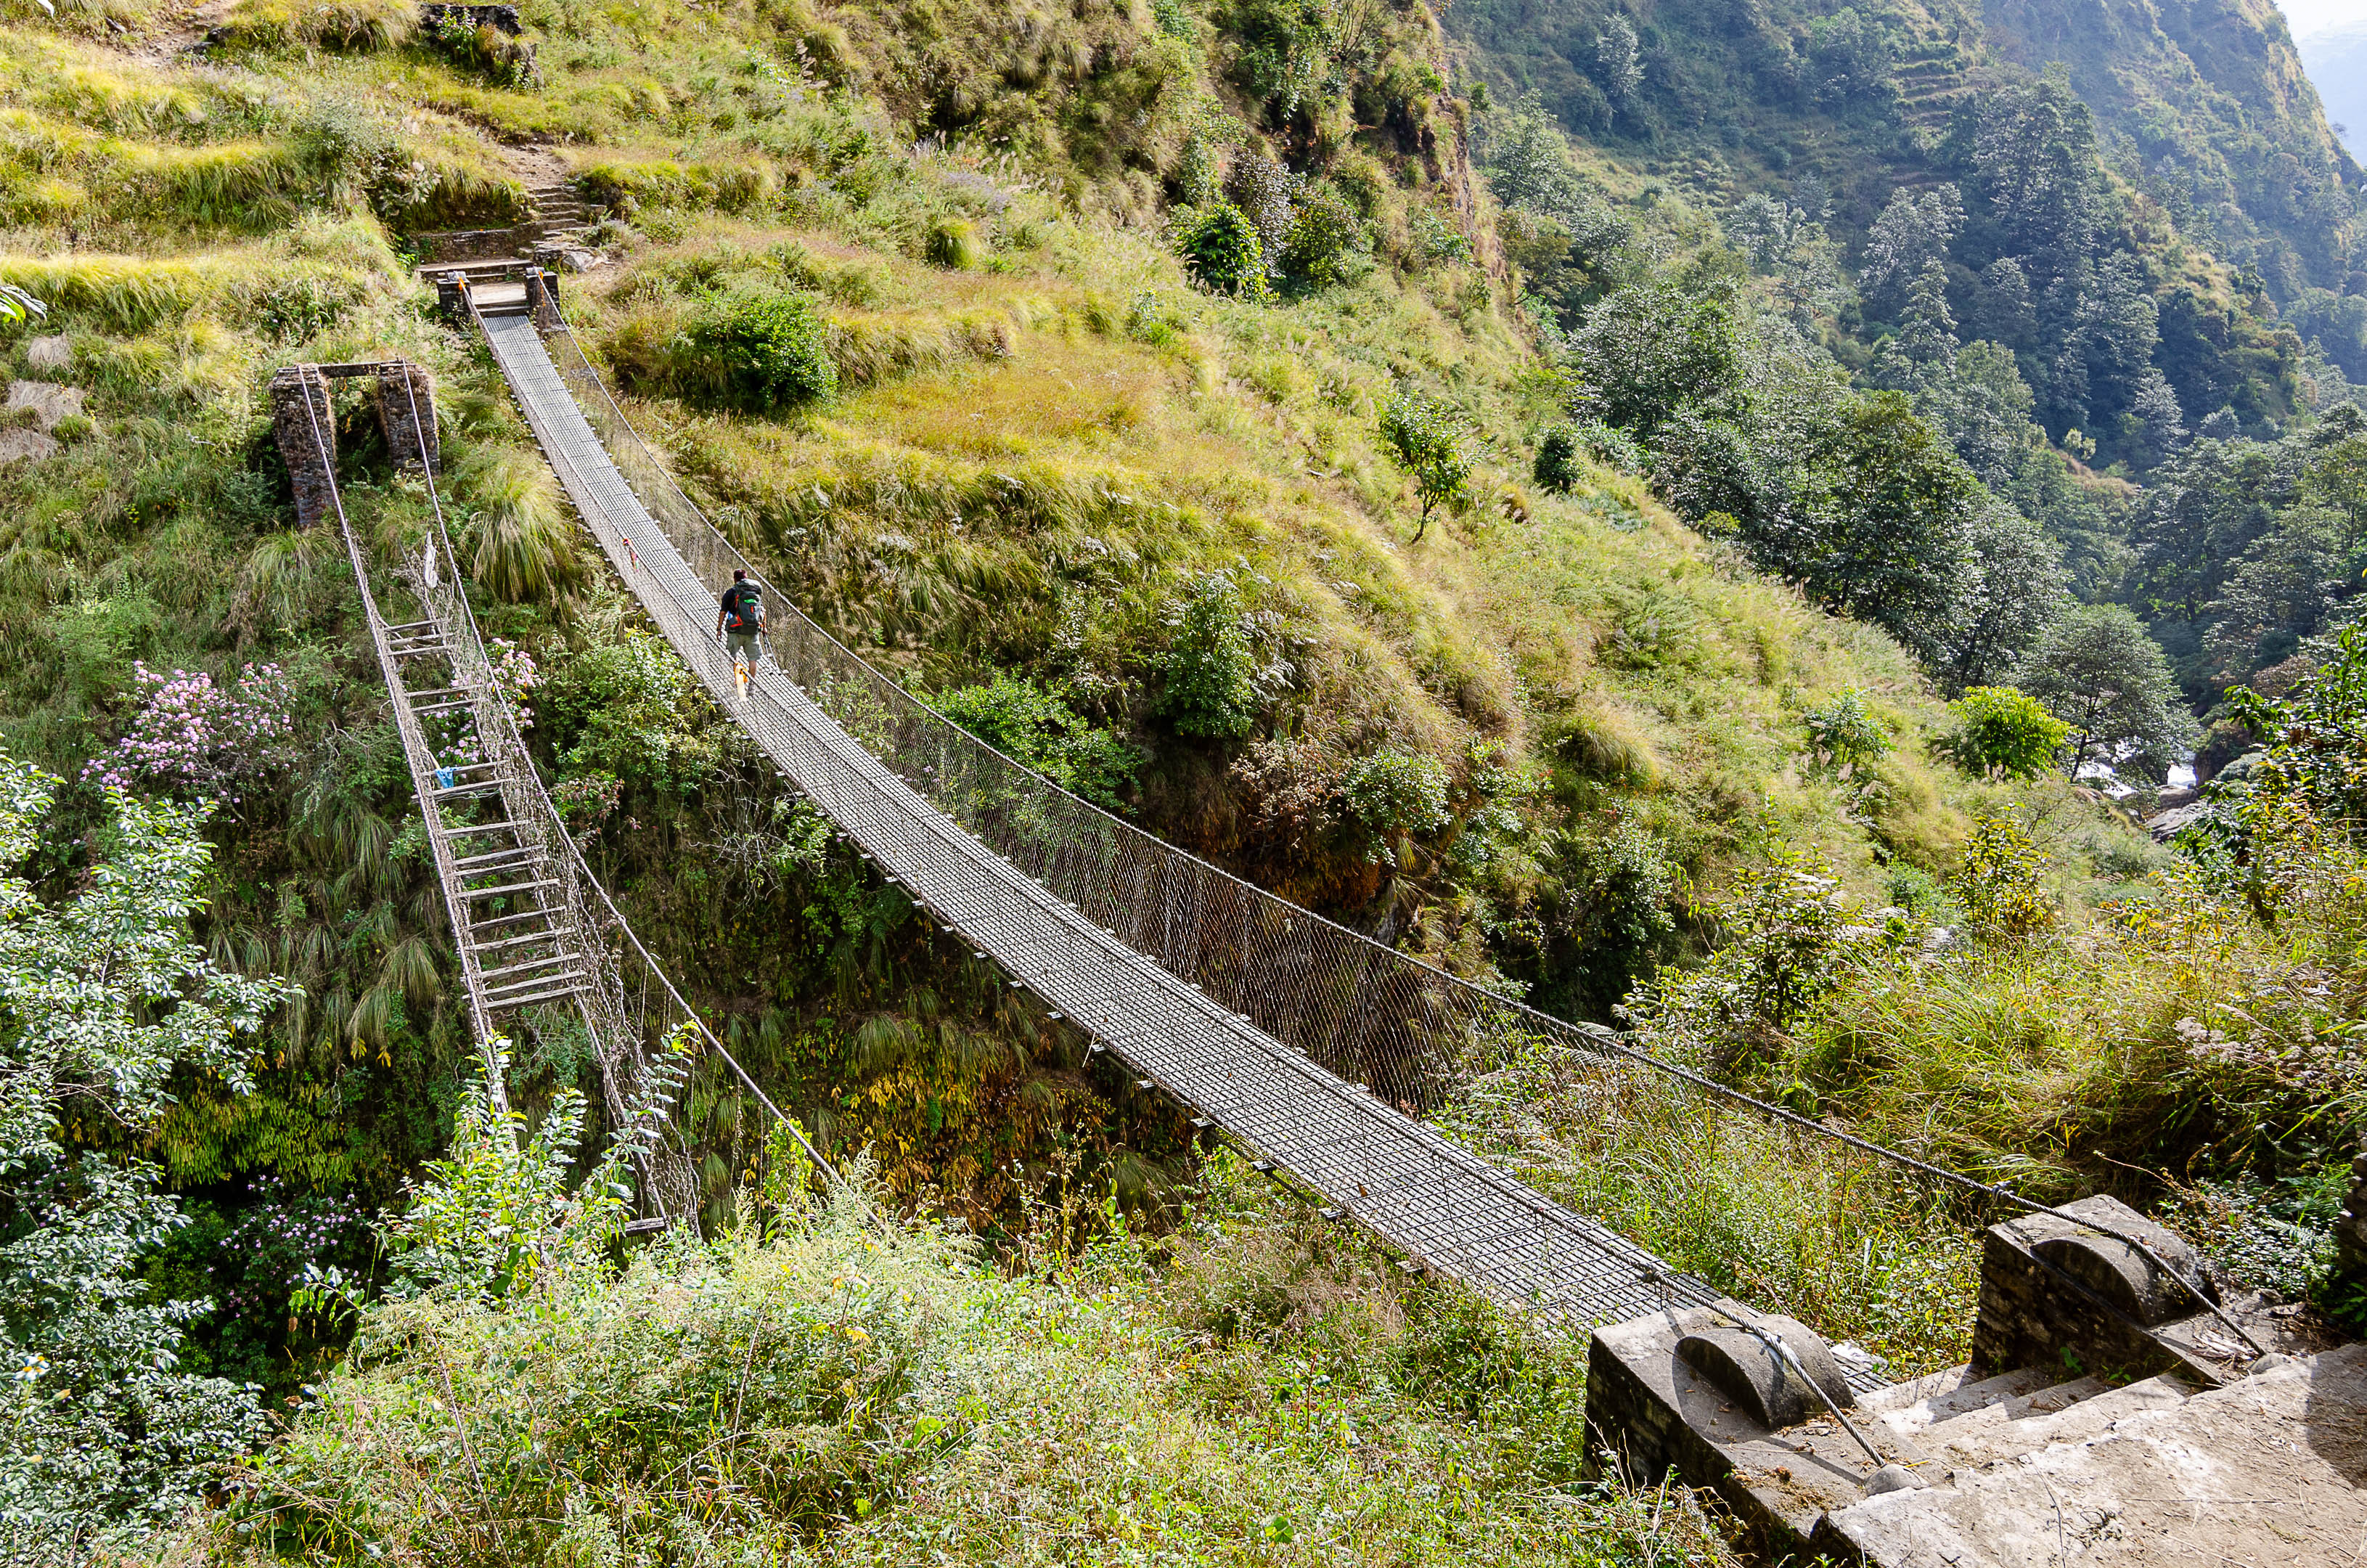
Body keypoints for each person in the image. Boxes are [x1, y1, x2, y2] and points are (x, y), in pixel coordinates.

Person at [716, 569, 765, 671]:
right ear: (746, 578)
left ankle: (738, 678)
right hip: (753, 629)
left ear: (734, 579)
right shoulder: (754, 592)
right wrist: (764, 628)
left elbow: (723, 613)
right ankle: (752, 681)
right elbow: (762, 611)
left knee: (734, 657)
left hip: (736, 629)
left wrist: (719, 629)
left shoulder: (730, 593)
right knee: (753, 660)